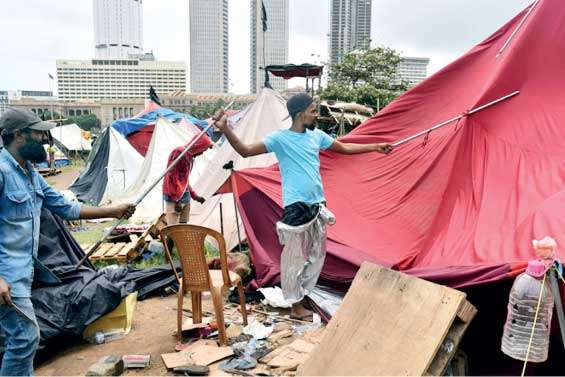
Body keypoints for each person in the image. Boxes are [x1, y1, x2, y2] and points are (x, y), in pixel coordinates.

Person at [214, 93, 393, 320]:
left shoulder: (316, 136)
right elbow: (246, 150)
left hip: (317, 204)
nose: (316, 114)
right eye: (313, 111)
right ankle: (296, 307)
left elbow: (344, 149)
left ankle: (302, 296)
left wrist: (375, 147)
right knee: (294, 259)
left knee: (315, 256)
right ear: (300, 115)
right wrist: (226, 128)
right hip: (296, 206)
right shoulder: (280, 139)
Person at [0, 108, 136, 376]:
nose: (43, 137)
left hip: (23, 273)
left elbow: (64, 207)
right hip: (6, 277)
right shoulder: (3, 171)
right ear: (18, 135)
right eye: (37, 132)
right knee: (25, 338)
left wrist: (112, 211)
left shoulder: (29, 172)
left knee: (24, 339)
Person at [162, 132, 213, 225]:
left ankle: (180, 240)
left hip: (184, 197)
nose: (202, 153)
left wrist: (195, 196)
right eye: (203, 150)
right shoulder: (179, 152)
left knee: (183, 227)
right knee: (173, 228)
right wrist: (176, 200)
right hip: (175, 197)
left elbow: (184, 181)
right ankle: (172, 239)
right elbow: (171, 177)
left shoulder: (189, 157)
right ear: (198, 145)